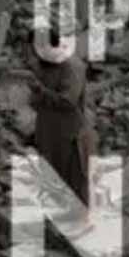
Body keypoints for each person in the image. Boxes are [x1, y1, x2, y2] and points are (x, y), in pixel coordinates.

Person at [26, 28, 95, 207]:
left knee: (73, 182)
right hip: (48, 133)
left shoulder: (71, 66)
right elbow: (36, 101)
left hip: (69, 134)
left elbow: (68, 101)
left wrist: (40, 90)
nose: (35, 55)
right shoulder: (44, 66)